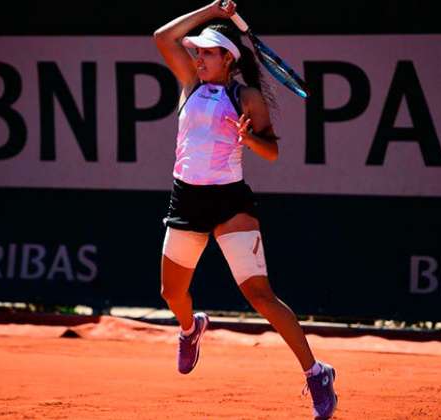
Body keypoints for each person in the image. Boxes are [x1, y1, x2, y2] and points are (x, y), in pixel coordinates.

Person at [153, 1, 337, 418]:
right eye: (196, 52)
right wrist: (211, 10)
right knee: (171, 293)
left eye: (207, 52)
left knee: (259, 294)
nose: (198, 58)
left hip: (230, 201)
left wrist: (248, 139)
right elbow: (162, 37)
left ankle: (316, 372)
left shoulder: (247, 96)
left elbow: (271, 151)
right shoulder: (190, 84)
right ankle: (190, 328)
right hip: (186, 198)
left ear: (228, 58)